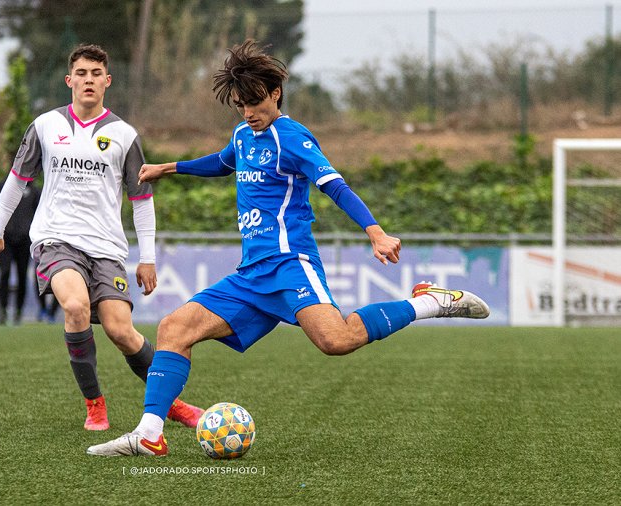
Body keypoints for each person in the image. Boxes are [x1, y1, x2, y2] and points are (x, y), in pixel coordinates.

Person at [87, 40, 491, 457]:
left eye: (255, 102)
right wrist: (170, 169)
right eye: (241, 104)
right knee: (174, 328)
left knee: (336, 340)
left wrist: (375, 231)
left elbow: (333, 184)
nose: (248, 112)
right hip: (251, 274)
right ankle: (149, 434)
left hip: (290, 266)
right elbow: (225, 161)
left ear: (275, 93)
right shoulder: (244, 133)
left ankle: (430, 302)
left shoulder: (292, 137)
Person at [0, 44, 204, 431]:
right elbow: (17, 181)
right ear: (69, 80)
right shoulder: (45, 126)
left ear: (107, 81)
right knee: (76, 306)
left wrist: (147, 257)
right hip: (55, 239)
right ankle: (95, 404)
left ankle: (173, 404)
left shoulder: (124, 135)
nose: (88, 80)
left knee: (121, 330)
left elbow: (142, 200)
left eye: (96, 73)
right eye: (81, 73)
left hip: (106, 248)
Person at [0, 179, 57, 325]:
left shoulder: (35, 191)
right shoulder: (2, 187)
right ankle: (3, 310)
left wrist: (30, 229)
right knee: (4, 273)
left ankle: (18, 311)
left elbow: (42, 212)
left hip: (25, 241)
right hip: (5, 240)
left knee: (22, 276)